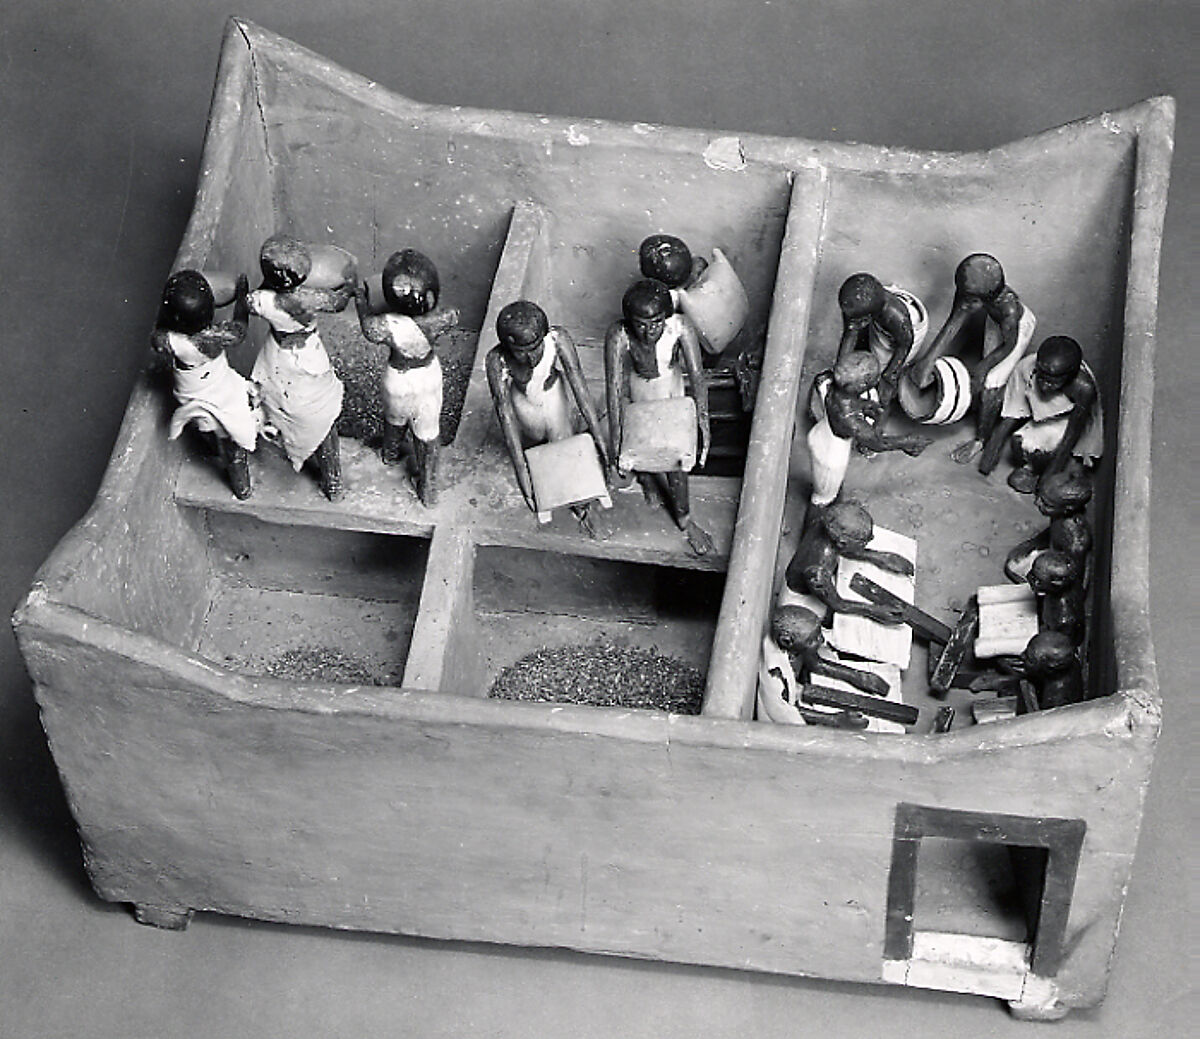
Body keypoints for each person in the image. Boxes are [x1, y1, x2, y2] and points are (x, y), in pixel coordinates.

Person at [604, 279, 713, 555]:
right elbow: (614, 388)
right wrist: (616, 440)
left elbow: (698, 376)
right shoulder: (619, 334)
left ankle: (684, 518)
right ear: (629, 320)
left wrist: (703, 423)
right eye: (640, 323)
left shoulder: (680, 327)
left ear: (666, 317)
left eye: (655, 323)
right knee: (637, 442)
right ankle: (648, 479)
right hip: (640, 388)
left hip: (670, 388)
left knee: (675, 458)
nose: (648, 331)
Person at [485, 300, 609, 536]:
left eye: (534, 347)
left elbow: (579, 385)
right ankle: (548, 487)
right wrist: (521, 472)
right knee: (536, 452)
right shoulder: (497, 360)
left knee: (564, 445)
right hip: (524, 404)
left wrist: (598, 436)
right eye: (521, 351)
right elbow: (505, 415)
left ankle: (583, 507)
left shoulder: (557, 339)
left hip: (553, 398)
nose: (531, 357)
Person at [247, 234, 353, 501]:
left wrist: (266, 282)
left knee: (279, 401)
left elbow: (250, 302)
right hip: (305, 357)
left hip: (276, 355)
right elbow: (337, 302)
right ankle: (333, 483)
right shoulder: (306, 299)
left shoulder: (260, 299)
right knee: (319, 413)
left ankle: (286, 439)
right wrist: (351, 287)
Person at [907, 253, 1036, 464]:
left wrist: (984, 367)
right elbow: (952, 323)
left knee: (989, 384)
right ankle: (981, 403)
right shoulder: (970, 292)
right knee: (982, 373)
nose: (965, 301)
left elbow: (1009, 345)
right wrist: (927, 362)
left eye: (970, 300)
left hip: (1017, 331)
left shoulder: (1008, 308)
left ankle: (981, 439)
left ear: (986, 298)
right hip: (996, 323)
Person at [354, 249, 459, 506]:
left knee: (395, 418)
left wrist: (362, 301)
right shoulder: (440, 319)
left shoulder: (386, 324)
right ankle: (428, 487)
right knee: (427, 431)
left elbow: (369, 328)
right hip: (428, 377)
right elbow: (455, 316)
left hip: (398, 380)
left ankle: (390, 454)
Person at [152, 270, 257, 499]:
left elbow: (159, 331)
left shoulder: (166, 340)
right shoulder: (214, 340)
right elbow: (240, 328)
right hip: (220, 391)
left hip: (190, 393)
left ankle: (212, 447)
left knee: (206, 427)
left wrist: (169, 310)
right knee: (233, 439)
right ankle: (242, 487)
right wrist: (241, 295)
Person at [980, 335, 1103, 493]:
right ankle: (1032, 468)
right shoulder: (1027, 368)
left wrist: (1047, 481)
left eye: (1052, 382)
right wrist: (988, 457)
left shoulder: (1083, 388)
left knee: (1056, 462)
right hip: (1044, 417)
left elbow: (1072, 436)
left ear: (1070, 376)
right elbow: (1012, 413)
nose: (1044, 386)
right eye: (1042, 378)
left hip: (1065, 420)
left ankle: (1049, 471)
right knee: (1019, 443)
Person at [807, 353, 931, 507]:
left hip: (820, 433)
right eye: (873, 379)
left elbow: (841, 398)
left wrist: (863, 405)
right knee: (824, 494)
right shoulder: (851, 419)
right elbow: (877, 443)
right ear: (862, 385)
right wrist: (907, 442)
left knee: (828, 486)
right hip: (830, 458)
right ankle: (821, 509)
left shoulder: (826, 381)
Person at [781, 501, 908, 625]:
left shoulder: (826, 520)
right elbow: (838, 604)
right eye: (864, 542)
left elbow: (844, 549)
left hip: (817, 577)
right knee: (838, 621)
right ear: (841, 543)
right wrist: (874, 610)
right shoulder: (818, 571)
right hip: (800, 597)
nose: (871, 540)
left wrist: (881, 557)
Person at [835, 273, 928, 408]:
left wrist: (889, 375)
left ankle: (884, 401)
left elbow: (905, 345)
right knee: (874, 347)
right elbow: (849, 333)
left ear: (868, 317)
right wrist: (840, 371)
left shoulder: (895, 316)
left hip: (907, 333)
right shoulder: (852, 305)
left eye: (859, 321)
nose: (853, 323)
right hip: (883, 324)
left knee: (882, 364)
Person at [1004, 465, 1093, 582]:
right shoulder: (1060, 514)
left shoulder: (1074, 542)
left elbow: (1074, 579)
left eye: (1047, 504)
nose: (1036, 503)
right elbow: (1054, 531)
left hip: (1056, 567)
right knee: (1013, 564)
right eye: (1039, 496)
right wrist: (1036, 543)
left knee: (1015, 569)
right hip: (1053, 552)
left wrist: (1044, 582)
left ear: (1068, 508)